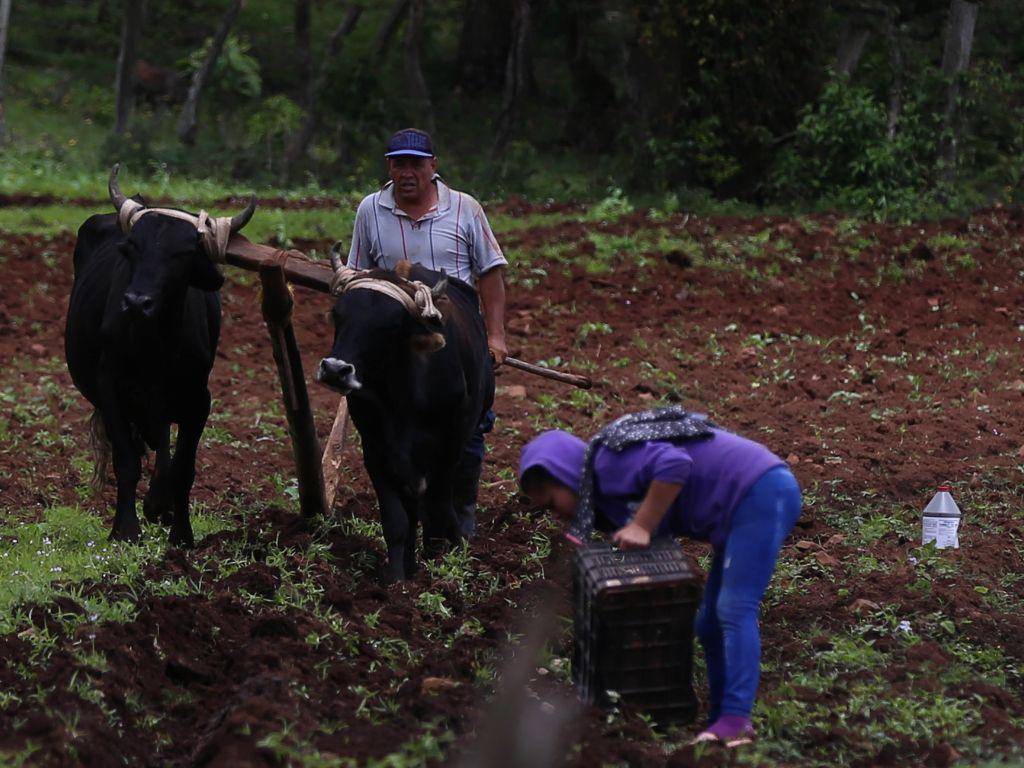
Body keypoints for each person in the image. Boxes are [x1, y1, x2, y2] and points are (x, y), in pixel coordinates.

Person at [517, 408, 802, 747]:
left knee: (735, 608)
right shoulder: (605, 494)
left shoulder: (607, 462)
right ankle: (720, 720)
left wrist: (642, 525)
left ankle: (737, 721)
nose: (555, 514)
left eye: (552, 503)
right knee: (708, 624)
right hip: (741, 503)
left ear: (563, 474)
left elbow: (675, 464)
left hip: (759, 491)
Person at [346, 128, 508, 536]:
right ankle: (405, 513)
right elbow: (357, 274)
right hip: (395, 338)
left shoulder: (465, 208)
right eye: (399, 164)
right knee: (391, 422)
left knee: (467, 423)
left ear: (433, 166)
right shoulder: (370, 209)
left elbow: (490, 273)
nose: (407, 173)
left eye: (416, 164)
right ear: (389, 167)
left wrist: (495, 336)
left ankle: (459, 512)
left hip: (456, 333)